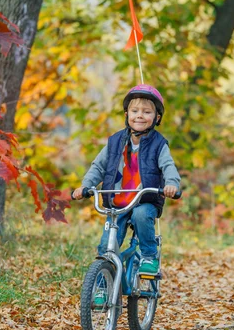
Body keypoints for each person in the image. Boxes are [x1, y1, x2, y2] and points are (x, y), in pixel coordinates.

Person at [72, 84, 181, 275]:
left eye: (147, 112)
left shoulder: (158, 144)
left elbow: (168, 166)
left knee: (141, 215)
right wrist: (85, 186)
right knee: (107, 247)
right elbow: (98, 166)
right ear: (126, 114)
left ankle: (148, 255)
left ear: (156, 118)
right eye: (135, 110)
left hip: (144, 200)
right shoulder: (115, 142)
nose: (140, 115)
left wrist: (172, 184)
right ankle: (101, 286)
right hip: (118, 202)